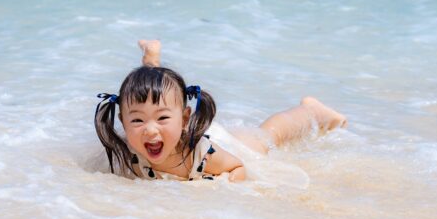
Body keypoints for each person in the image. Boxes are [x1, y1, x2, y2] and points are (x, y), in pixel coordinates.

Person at [94, 40, 347, 182]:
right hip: (176, 128)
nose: (149, 129)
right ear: (123, 122)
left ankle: (310, 111)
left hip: (222, 143)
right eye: (136, 120)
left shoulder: (203, 156)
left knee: (269, 136)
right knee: (152, 91)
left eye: (161, 118)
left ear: (185, 118)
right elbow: (149, 109)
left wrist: (223, 192)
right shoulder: (132, 142)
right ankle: (152, 61)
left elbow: (238, 168)